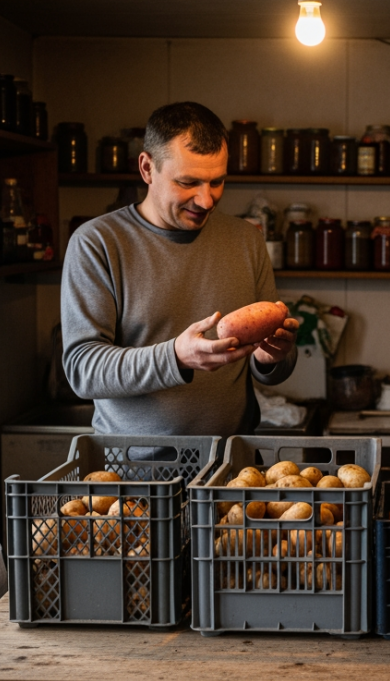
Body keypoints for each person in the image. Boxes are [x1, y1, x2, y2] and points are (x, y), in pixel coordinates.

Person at [61, 101, 298, 437]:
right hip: (133, 470)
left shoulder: (247, 240)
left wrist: (272, 358)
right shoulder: (97, 243)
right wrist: (176, 357)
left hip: (232, 468)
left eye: (217, 182)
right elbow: (83, 370)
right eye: (188, 182)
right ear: (147, 168)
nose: (206, 200)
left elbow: (272, 370)